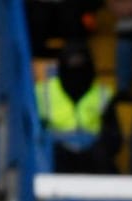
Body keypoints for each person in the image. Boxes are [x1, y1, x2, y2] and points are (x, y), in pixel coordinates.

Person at [36, 42, 124, 175]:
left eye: (80, 63)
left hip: (94, 164)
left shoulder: (103, 95)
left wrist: (97, 149)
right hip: (55, 163)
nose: (76, 69)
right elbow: (34, 137)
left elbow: (114, 138)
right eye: (71, 63)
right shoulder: (42, 93)